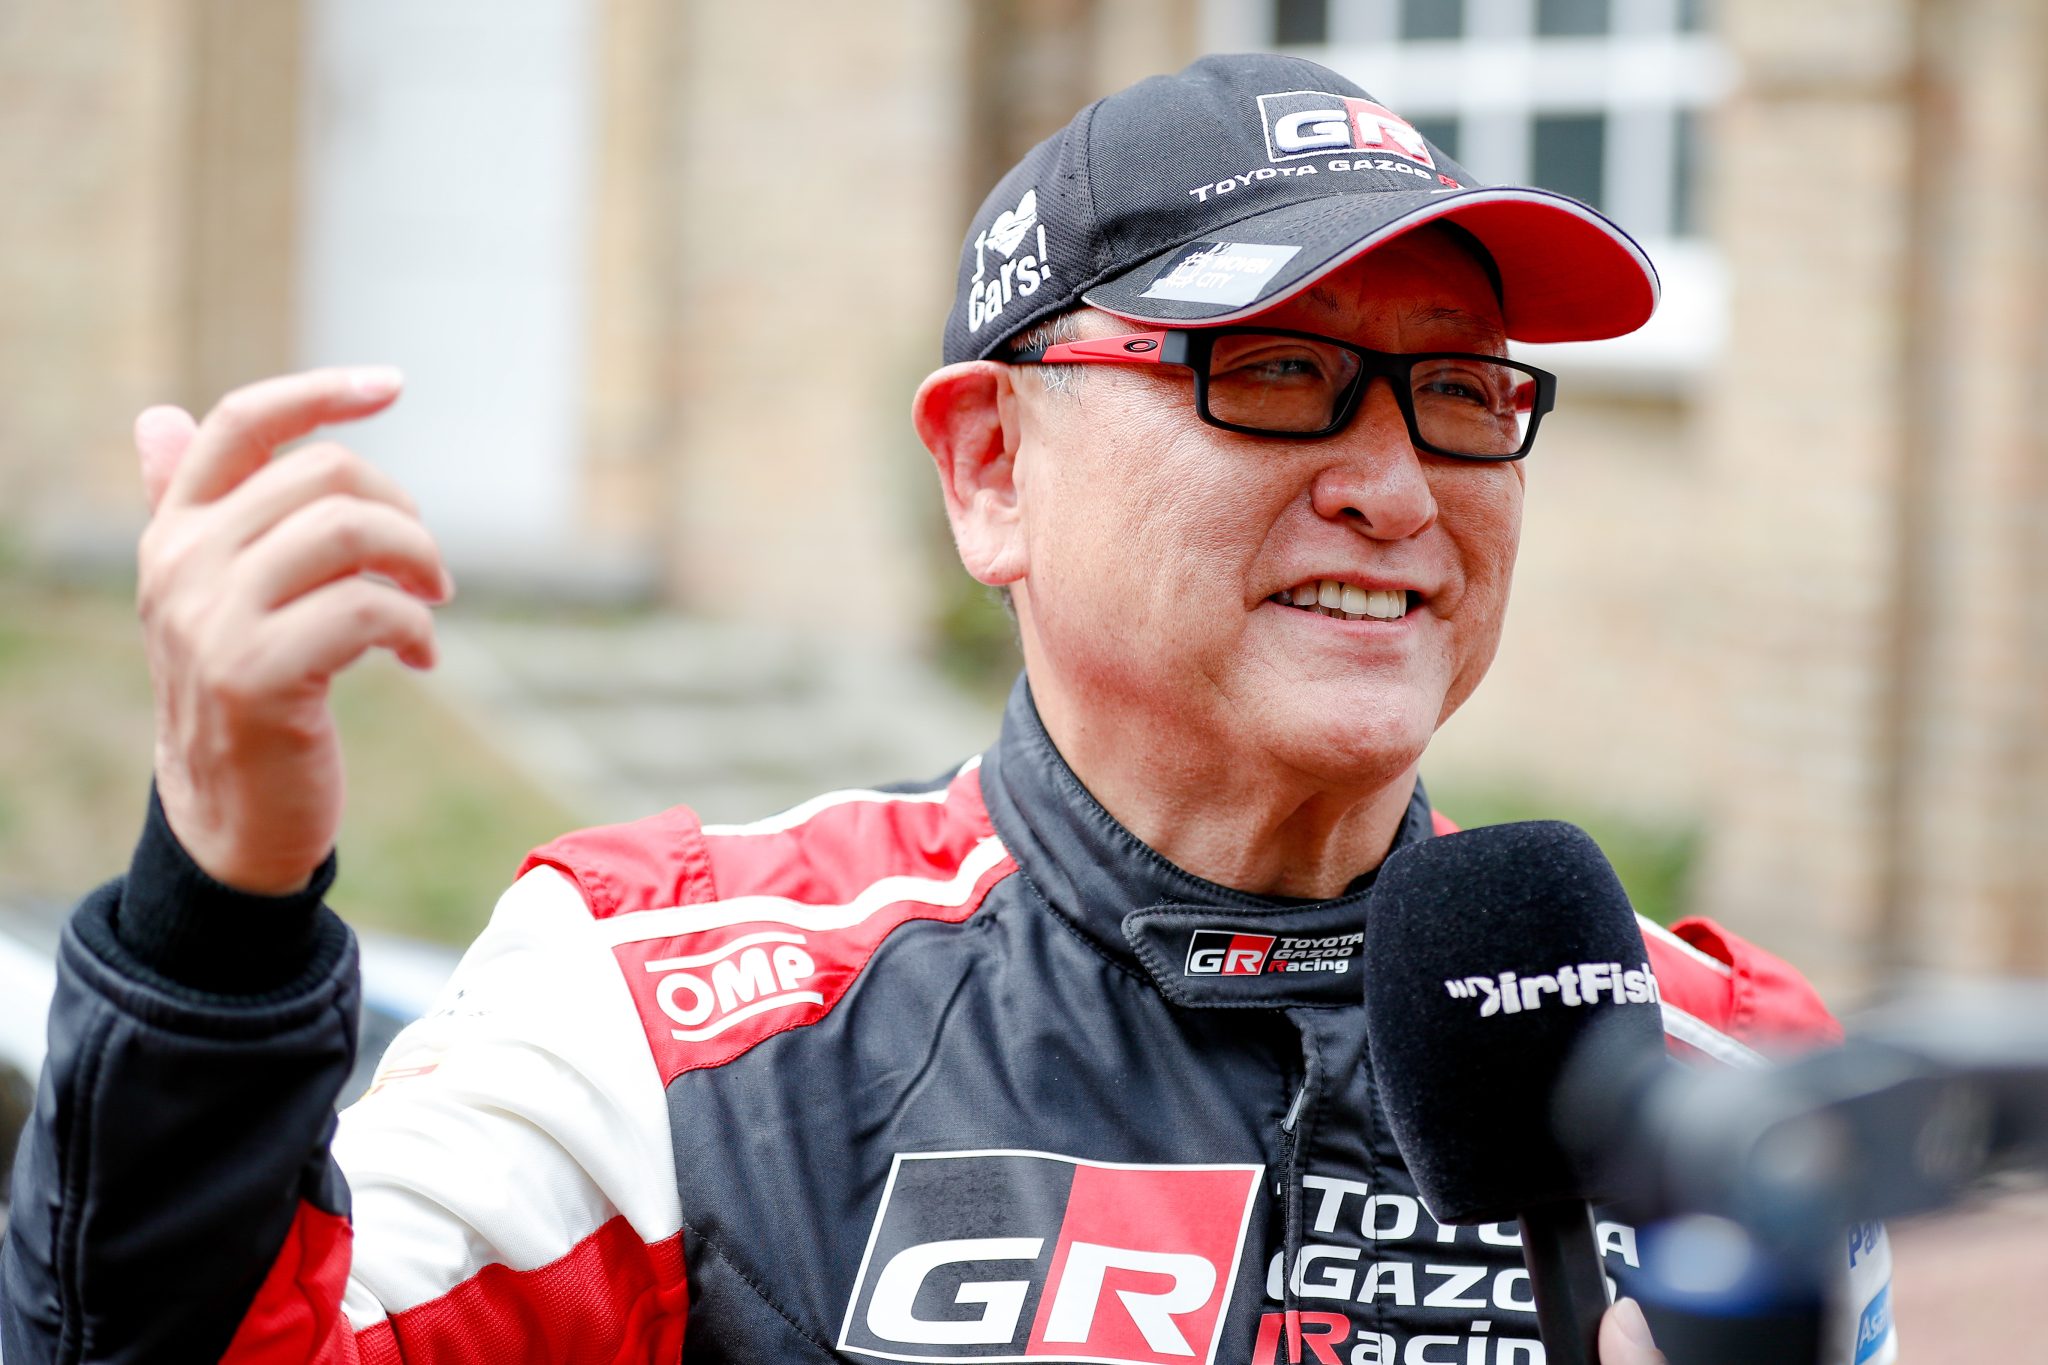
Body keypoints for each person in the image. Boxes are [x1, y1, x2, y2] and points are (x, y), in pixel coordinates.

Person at [0, 53, 1891, 1365]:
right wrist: (215, 910)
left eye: (1463, 392)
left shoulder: (1721, 1081)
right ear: (991, 468)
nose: (1399, 486)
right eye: (1275, 369)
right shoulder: (659, 1018)